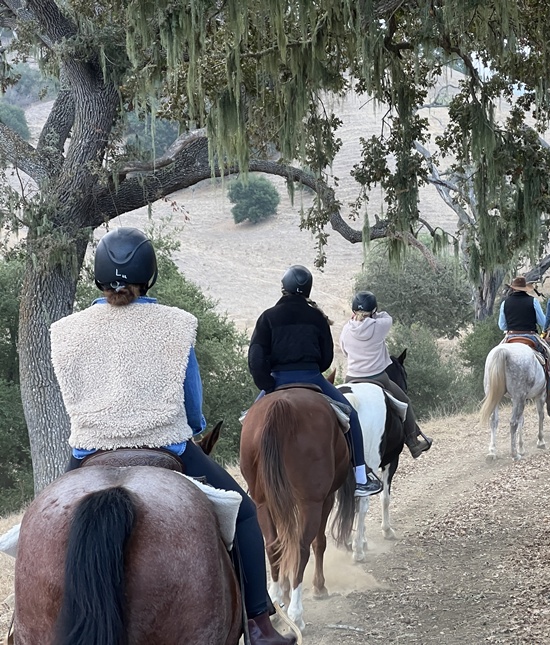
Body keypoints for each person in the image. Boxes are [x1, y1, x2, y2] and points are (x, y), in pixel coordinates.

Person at [50, 227, 293, 645]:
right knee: (245, 513)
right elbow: (192, 402)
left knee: (44, 524)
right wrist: (193, 426)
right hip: (167, 443)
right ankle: (259, 624)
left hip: (88, 448)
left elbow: (71, 393)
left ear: (98, 276)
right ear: (150, 274)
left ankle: (20, 627)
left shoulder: (66, 330)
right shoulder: (176, 325)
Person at [247, 265, 383, 497]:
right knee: (351, 416)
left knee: (249, 422)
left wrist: (267, 385)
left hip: (277, 380)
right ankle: (361, 477)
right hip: (312, 377)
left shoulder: (267, 317)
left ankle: (252, 483)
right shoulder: (317, 317)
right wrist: (311, 369)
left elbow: (256, 358)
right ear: (308, 290)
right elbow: (326, 358)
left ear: (284, 287)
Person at [339, 291, 432, 458]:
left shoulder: (346, 329)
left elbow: (345, 351)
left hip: (351, 377)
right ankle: (414, 442)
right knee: (405, 401)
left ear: (353, 311)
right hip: (377, 378)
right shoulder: (379, 326)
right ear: (374, 310)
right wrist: (374, 315)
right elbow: (387, 317)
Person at [497, 276, 550, 394]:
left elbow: (502, 326)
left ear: (513, 288)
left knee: (496, 356)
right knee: (549, 354)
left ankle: (497, 384)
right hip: (530, 336)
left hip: (511, 336)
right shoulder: (533, 301)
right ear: (525, 288)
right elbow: (543, 322)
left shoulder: (505, 303)